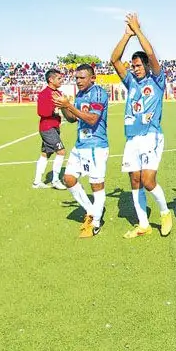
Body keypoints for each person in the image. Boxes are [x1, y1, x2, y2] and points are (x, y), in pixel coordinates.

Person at [109, 12, 173, 238]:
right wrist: (126, 35)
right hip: (132, 138)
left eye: (137, 65)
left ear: (145, 65)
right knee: (134, 180)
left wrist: (138, 31)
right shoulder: (130, 81)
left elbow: (151, 53)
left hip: (151, 135)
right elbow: (114, 60)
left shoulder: (156, 79)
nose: (134, 68)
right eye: (133, 65)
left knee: (148, 180)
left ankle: (165, 212)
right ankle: (143, 223)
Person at [53, 64, 109, 238]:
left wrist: (69, 105)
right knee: (69, 179)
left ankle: (95, 223)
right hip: (80, 145)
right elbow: (72, 119)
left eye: (82, 77)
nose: (78, 81)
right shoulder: (80, 95)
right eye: (76, 78)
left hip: (96, 146)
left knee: (96, 185)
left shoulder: (99, 93)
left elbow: (92, 119)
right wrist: (63, 106)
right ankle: (91, 211)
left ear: (92, 78)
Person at [33, 68, 67, 189]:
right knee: (61, 152)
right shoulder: (44, 94)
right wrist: (55, 110)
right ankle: (56, 181)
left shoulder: (58, 93)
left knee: (45, 153)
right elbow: (41, 112)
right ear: (51, 80)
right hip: (47, 128)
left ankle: (37, 182)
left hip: (54, 127)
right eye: (59, 78)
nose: (61, 80)